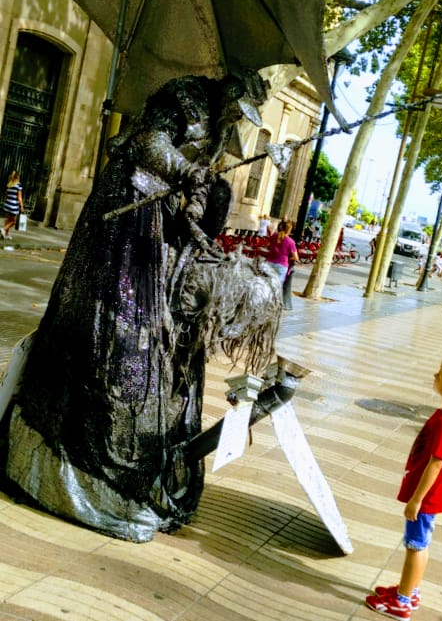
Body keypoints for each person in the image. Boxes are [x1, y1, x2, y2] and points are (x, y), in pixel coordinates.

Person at [4, 72, 283, 542]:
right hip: (127, 213)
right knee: (112, 326)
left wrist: (201, 203)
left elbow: (197, 193)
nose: (238, 119)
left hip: (163, 228)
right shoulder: (183, 98)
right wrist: (187, 172)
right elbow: (149, 143)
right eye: (238, 109)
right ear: (229, 94)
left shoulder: (219, 133)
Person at [366, 357, 442, 619]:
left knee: (414, 546)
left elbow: (436, 465)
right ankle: (410, 589)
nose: (434, 376)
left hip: (427, 498)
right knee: (420, 545)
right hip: (432, 496)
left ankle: (402, 602)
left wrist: (416, 500)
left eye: (438, 376)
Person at [266, 220, 299, 287]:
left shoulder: (274, 235)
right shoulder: (291, 242)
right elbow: (296, 257)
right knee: (277, 286)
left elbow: (267, 246)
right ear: (290, 230)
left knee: (266, 283)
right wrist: (287, 257)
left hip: (270, 262)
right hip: (282, 265)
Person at [1, 170, 24, 240]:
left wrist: (6, 203)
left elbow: (6, 195)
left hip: (7, 204)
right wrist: (22, 206)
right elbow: (19, 197)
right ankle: (3, 229)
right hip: (13, 205)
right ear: (18, 176)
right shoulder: (18, 185)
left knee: (8, 219)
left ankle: (6, 235)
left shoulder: (9, 184)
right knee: (13, 221)